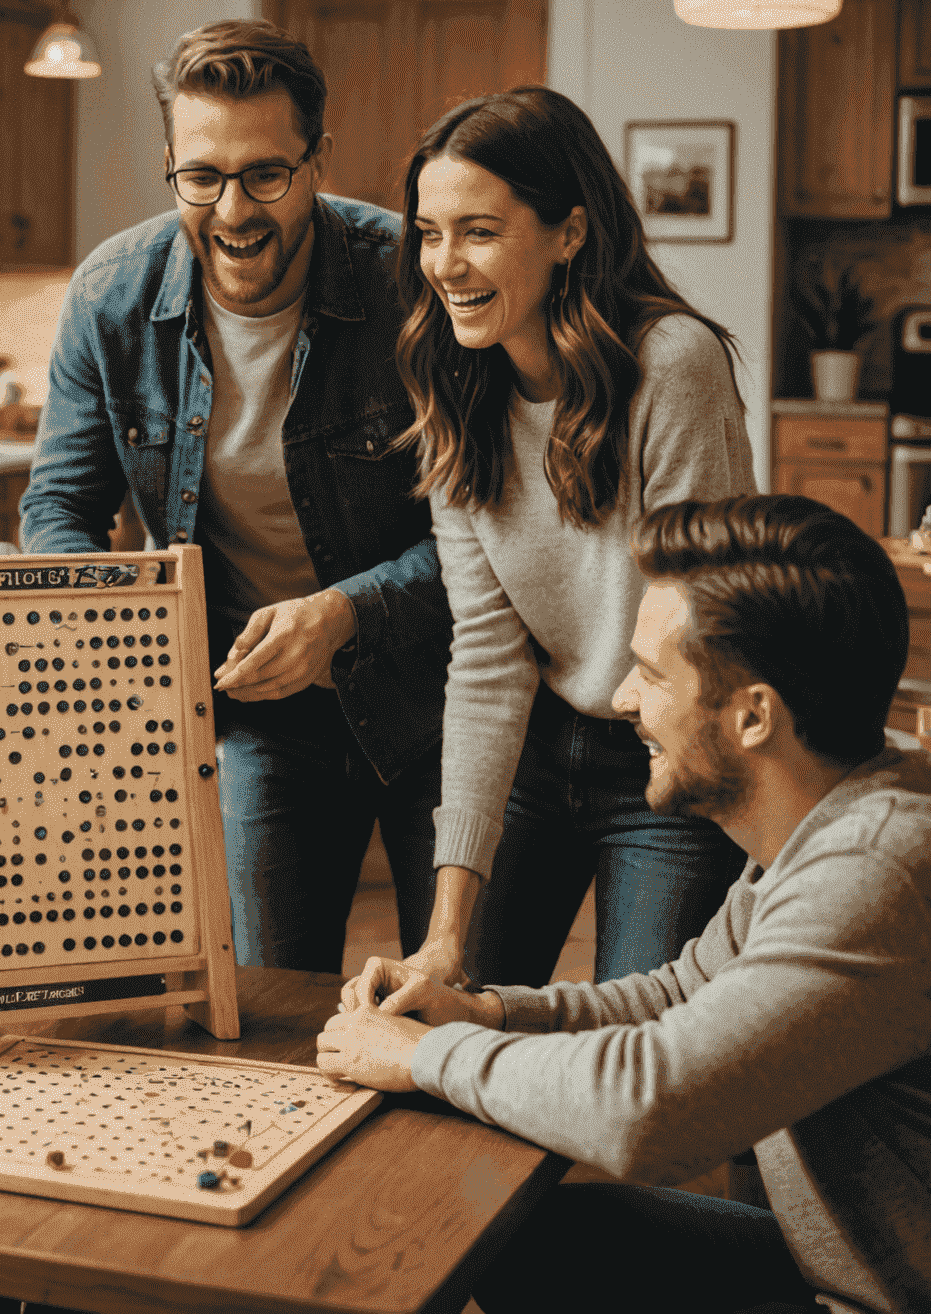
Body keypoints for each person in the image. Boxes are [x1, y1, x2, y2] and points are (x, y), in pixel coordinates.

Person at [319, 494, 928, 1314]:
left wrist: (421, 1057)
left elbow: (652, 1109)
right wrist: (482, 1011)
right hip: (824, 1277)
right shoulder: (821, 823)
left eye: (651, 672)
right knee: (508, 1233)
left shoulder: (874, 867)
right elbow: (679, 996)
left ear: (754, 716)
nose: (621, 700)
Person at [19, 19, 452, 974]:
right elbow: (57, 509)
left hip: (436, 695)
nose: (233, 210)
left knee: (453, 996)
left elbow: (484, 532)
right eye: (202, 176)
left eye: (266, 174)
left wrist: (345, 613)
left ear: (317, 160)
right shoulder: (111, 297)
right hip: (250, 707)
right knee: (266, 995)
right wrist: (125, 625)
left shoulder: (408, 284)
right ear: (170, 160)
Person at [390, 86, 753, 990]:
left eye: (478, 231)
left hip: (669, 752)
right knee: (450, 1003)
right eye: (429, 233)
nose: (445, 264)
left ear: (570, 233)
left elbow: (695, 614)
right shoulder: (452, 388)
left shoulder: (673, 365)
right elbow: (485, 653)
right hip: (539, 752)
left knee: (646, 1055)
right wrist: (444, 932)